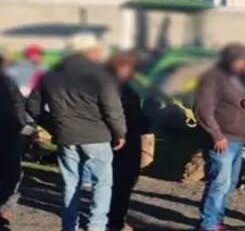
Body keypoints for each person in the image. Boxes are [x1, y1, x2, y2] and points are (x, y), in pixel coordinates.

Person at [27, 33, 126, 231]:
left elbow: (32, 106)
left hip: (65, 135)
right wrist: (120, 133)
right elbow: (112, 109)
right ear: (89, 51)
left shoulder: (49, 75)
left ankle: (69, 225)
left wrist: (54, 125)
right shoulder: (99, 75)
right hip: (97, 135)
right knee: (102, 184)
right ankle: (96, 226)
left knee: (69, 183)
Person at [194, 43, 245, 231]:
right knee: (219, 183)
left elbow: (243, 100)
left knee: (229, 184)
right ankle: (208, 223)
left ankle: (217, 219)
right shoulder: (213, 77)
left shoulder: (239, 79)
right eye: (242, 61)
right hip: (223, 139)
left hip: (238, 139)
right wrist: (216, 134)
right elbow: (203, 109)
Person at [105, 52, 153, 231]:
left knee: (119, 183)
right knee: (121, 183)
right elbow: (127, 115)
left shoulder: (120, 86)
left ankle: (114, 218)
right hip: (123, 140)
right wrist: (145, 123)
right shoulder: (118, 88)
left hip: (123, 138)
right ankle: (115, 221)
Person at [0, 54, 35, 231]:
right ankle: (3, 212)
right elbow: (18, 107)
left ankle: (3, 212)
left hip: (8, 132)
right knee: (11, 175)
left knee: (11, 175)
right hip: (7, 134)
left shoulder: (8, 82)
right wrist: (25, 128)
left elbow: (19, 106)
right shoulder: (8, 82)